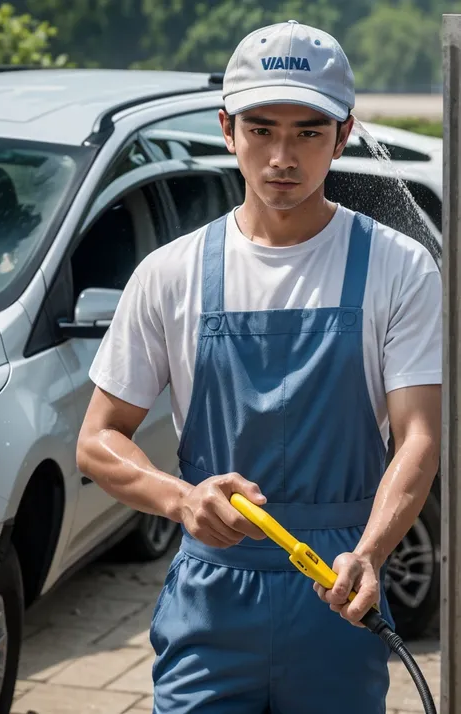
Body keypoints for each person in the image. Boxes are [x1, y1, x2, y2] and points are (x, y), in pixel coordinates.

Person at [77, 20, 442, 714]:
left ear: (342, 135)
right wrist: (181, 498)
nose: (282, 155)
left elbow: (419, 437)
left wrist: (369, 552)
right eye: (261, 128)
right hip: (212, 596)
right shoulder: (170, 274)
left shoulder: (399, 267)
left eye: (308, 131)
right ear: (227, 128)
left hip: (338, 588)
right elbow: (98, 439)